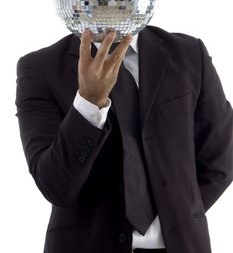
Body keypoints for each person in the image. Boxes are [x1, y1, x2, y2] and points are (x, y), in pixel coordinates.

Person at [15, 24, 233, 253]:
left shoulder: (189, 54)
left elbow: (221, 159)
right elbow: (54, 186)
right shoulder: (39, 68)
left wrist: (178, 216)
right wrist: (89, 102)